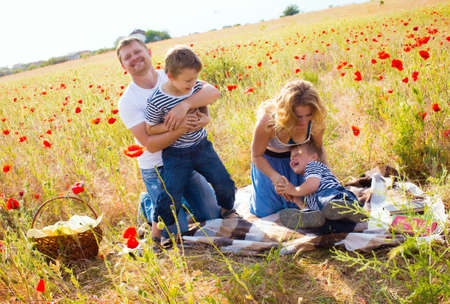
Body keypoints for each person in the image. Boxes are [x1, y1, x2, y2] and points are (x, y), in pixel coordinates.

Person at [116, 37, 221, 244]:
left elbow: (212, 92)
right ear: (123, 66)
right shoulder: (127, 101)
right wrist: (182, 127)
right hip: (158, 168)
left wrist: (184, 106)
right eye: (127, 57)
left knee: (212, 215)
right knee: (174, 234)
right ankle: (149, 202)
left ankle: (179, 200)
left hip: (187, 159)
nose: (134, 58)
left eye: (137, 52)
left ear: (149, 52)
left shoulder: (172, 74)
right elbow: (150, 143)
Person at [145, 45, 236, 243]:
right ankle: (156, 229)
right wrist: (174, 125)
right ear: (170, 76)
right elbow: (151, 129)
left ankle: (227, 209)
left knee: (225, 184)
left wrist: (205, 118)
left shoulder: (195, 87)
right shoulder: (157, 101)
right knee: (171, 196)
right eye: (187, 81)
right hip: (175, 155)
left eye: (195, 78)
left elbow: (204, 105)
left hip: (202, 147)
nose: (193, 84)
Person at [250, 79, 327, 218]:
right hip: (269, 164)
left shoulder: (316, 121)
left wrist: (326, 177)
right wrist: (275, 177)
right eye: (298, 117)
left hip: (301, 163)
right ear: (286, 114)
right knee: (266, 212)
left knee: (314, 203)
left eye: (308, 115)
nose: (304, 122)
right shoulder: (268, 122)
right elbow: (256, 155)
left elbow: (318, 150)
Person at [275, 141, 364, 229]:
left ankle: (347, 208)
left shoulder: (313, 166)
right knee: (319, 217)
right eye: (290, 158)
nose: (292, 159)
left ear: (313, 157)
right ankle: (311, 220)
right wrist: (297, 200)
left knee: (323, 200)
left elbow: (312, 186)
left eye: (296, 154)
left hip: (334, 196)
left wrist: (293, 190)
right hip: (337, 220)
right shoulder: (307, 188)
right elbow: (312, 206)